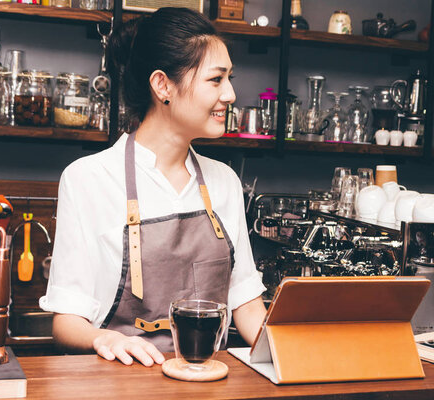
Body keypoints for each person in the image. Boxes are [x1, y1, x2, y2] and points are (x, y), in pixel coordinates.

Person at [39, 7, 267, 367]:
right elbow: (66, 321)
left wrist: (298, 354)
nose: (231, 94)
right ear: (163, 85)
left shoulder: (224, 181)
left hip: (207, 384)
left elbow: (246, 303)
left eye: (230, 78)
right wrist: (103, 337)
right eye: (216, 80)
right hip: (120, 382)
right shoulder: (88, 179)